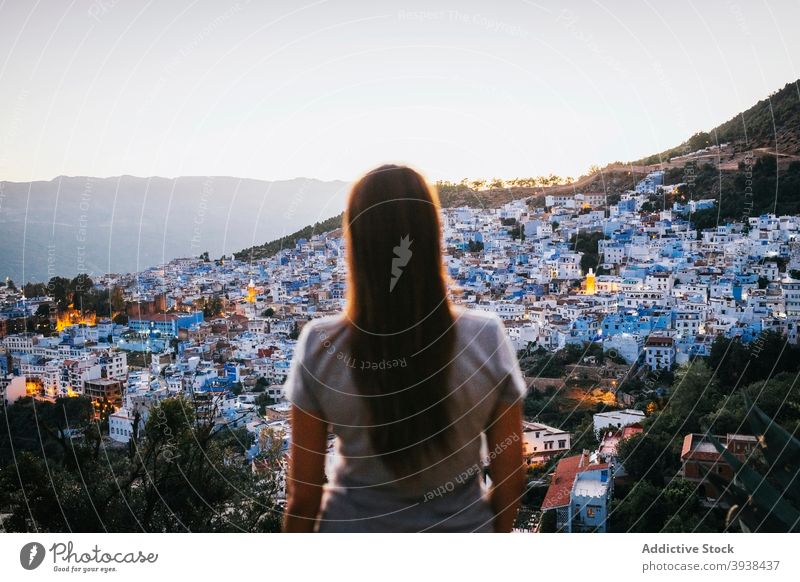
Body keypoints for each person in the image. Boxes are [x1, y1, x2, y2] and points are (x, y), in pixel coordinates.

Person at [283, 164, 526, 533]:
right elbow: (510, 479)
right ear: (430, 239)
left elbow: (303, 496)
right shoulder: (486, 338)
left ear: (357, 244)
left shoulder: (321, 345)